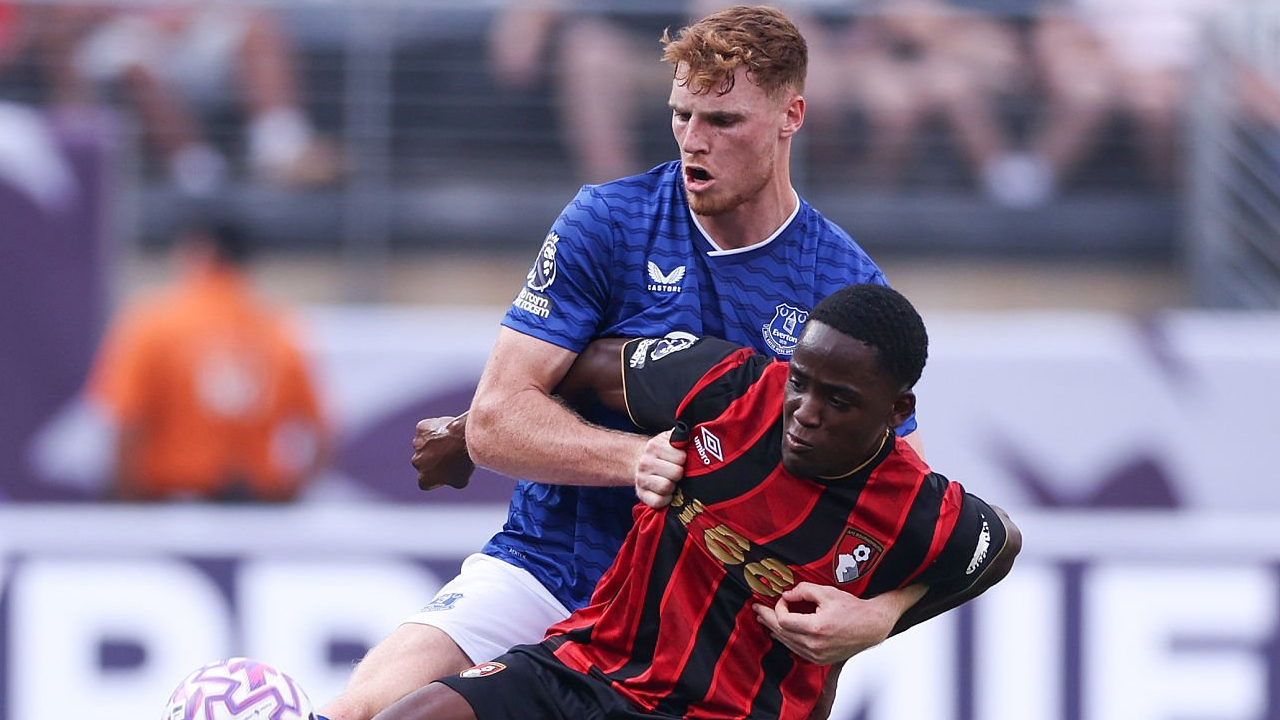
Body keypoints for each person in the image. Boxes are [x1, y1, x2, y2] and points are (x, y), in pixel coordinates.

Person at [320, 7, 925, 719]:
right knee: (366, 708)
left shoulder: (842, 289)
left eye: (723, 121)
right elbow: (495, 419)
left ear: (792, 115)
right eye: (680, 115)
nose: (694, 142)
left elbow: (911, 506)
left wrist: (880, 615)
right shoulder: (609, 224)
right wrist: (632, 460)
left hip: (703, 620)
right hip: (552, 563)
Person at [373, 282, 1022, 720]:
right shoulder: (730, 387)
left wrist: (884, 615)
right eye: (801, 382)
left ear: (897, 410)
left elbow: (1000, 544)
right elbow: (589, 367)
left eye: (839, 401)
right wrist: (467, 430)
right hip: (592, 665)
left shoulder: (913, 503)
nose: (805, 413)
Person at [85, 215, 328, 502]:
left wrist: (127, 503)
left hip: (170, 502)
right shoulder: (278, 328)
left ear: (201, 251)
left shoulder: (154, 323)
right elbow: (322, 433)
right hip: (254, 506)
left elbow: (127, 423)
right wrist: (285, 497)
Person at [41, 4, 339, 195]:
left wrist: (181, 17)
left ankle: (281, 151)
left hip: (190, 34)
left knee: (258, 28)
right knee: (131, 59)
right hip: (120, 36)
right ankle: (196, 173)